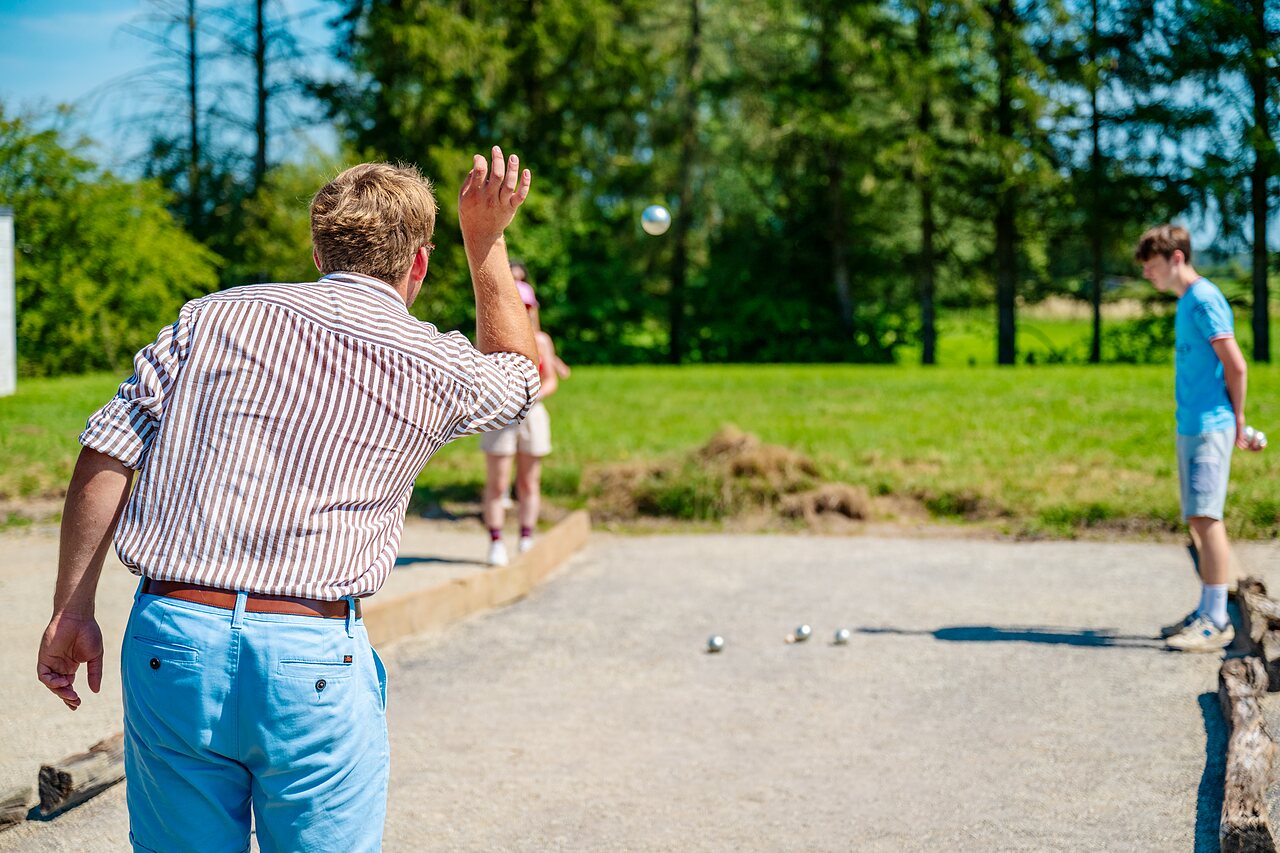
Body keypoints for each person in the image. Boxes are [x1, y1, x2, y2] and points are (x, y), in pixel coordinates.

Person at [36, 147, 540, 851]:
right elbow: (521, 377)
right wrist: (485, 239)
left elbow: (108, 447)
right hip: (311, 653)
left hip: (173, 635)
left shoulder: (211, 318)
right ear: (418, 264)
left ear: (318, 248)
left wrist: (71, 607)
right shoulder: (434, 362)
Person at [1136, 224, 1251, 652]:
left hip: (1209, 425)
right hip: (1191, 425)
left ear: (1177, 258)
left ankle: (1217, 619)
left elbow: (1236, 365)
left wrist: (1238, 420)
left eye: (1152, 266)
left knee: (1207, 518)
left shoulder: (1203, 299)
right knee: (1197, 520)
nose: (1149, 275)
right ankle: (1206, 607)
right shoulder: (1188, 302)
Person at [480, 268, 568, 565]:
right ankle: (496, 541)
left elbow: (551, 380)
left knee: (529, 481)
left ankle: (526, 537)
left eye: (527, 306)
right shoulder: (492, 336)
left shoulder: (541, 341)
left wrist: (530, 395)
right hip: (502, 416)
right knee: (498, 481)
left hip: (532, 414)